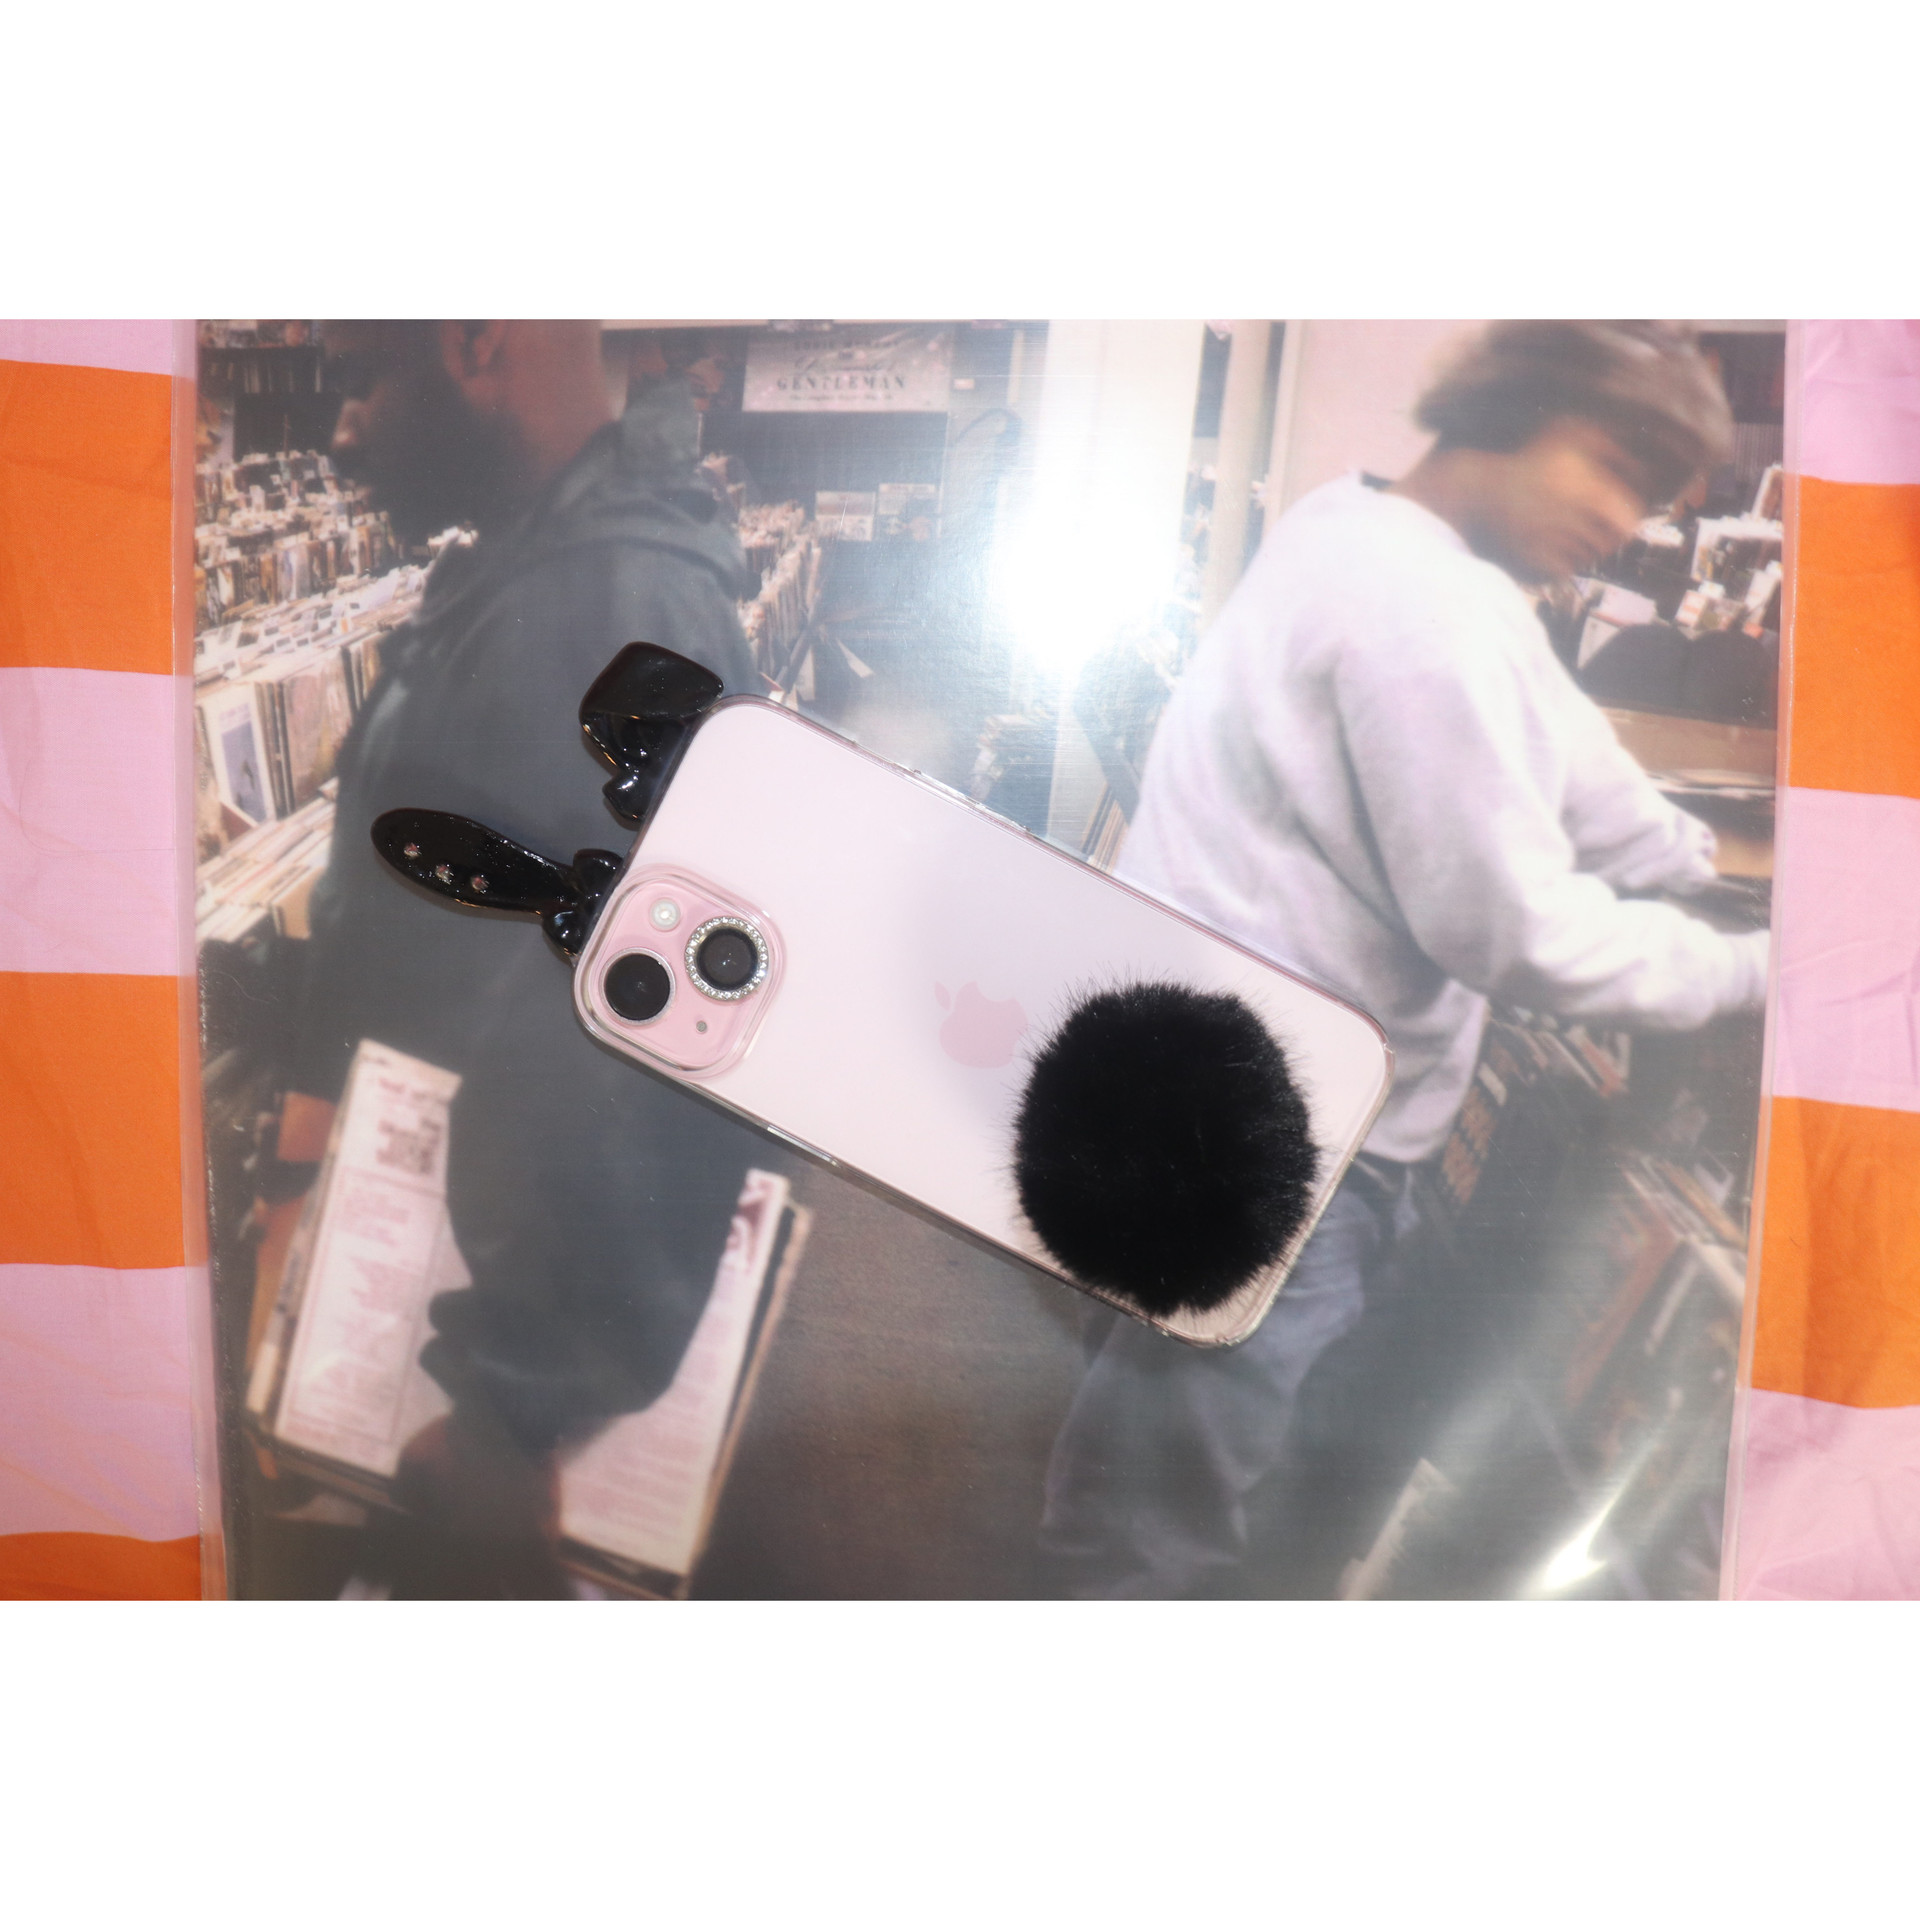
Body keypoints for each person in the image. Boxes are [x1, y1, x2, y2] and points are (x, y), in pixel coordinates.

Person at [1035, 321, 1770, 1599]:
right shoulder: (1425, 615)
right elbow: (1521, 936)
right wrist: (1764, 973)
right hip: (1275, 1122)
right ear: (1508, 408)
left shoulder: (1368, 529)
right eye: (1611, 466)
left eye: (1649, 494)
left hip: (1199, 1072)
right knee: (1168, 1496)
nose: (1625, 520)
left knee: (1156, 1425)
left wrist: (1691, 859)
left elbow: (1562, 744)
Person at [262, 321, 774, 1596]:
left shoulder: (609, 605)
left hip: (502, 1401)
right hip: (434, 1298)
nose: (343, 432)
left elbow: (625, 1049)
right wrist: (303, 1166)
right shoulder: (540, 568)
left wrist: (512, 1407)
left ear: (478, 342)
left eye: (362, 379)